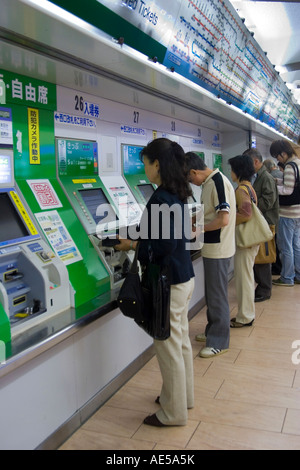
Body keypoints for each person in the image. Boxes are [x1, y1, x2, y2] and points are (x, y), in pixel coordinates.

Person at [116, 138, 195, 427]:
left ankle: (173, 414)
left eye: (146, 163)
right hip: (183, 277)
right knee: (180, 342)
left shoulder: (162, 197)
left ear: (157, 164)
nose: (144, 169)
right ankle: (182, 398)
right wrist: (136, 236)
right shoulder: (176, 193)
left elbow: (162, 245)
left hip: (168, 282)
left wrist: (133, 245)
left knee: (168, 346)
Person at [185, 152, 236, 357]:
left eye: (190, 179)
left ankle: (219, 342)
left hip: (218, 249)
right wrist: (192, 220)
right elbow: (209, 212)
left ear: (194, 171)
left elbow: (222, 220)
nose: (192, 184)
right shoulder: (209, 182)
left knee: (217, 296)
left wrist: (198, 229)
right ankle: (212, 331)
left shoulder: (217, 182)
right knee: (213, 294)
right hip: (213, 248)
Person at [243, 149, 279, 302]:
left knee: (263, 257)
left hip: (266, 222)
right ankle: (262, 287)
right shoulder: (258, 177)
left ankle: (265, 289)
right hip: (260, 222)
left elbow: (268, 202)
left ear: (256, 162)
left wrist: (251, 207)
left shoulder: (266, 178)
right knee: (258, 257)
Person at [228, 155, 259, 327]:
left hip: (245, 242)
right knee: (246, 277)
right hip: (252, 241)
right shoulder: (250, 187)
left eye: (232, 169)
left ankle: (245, 316)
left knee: (244, 279)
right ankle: (246, 314)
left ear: (238, 171)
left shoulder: (240, 190)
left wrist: (229, 219)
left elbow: (246, 214)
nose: (230, 173)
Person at [269, 140, 300, 286]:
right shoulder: (298, 163)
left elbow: (288, 191)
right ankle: (298, 275)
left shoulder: (289, 167)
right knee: (296, 246)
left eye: (277, 156)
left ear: (283, 153)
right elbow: (293, 185)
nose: (277, 159)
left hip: (287, 214)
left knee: (285, 247)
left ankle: (287, 277)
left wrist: (274, 188)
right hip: (298, 212)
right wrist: (279, 181)